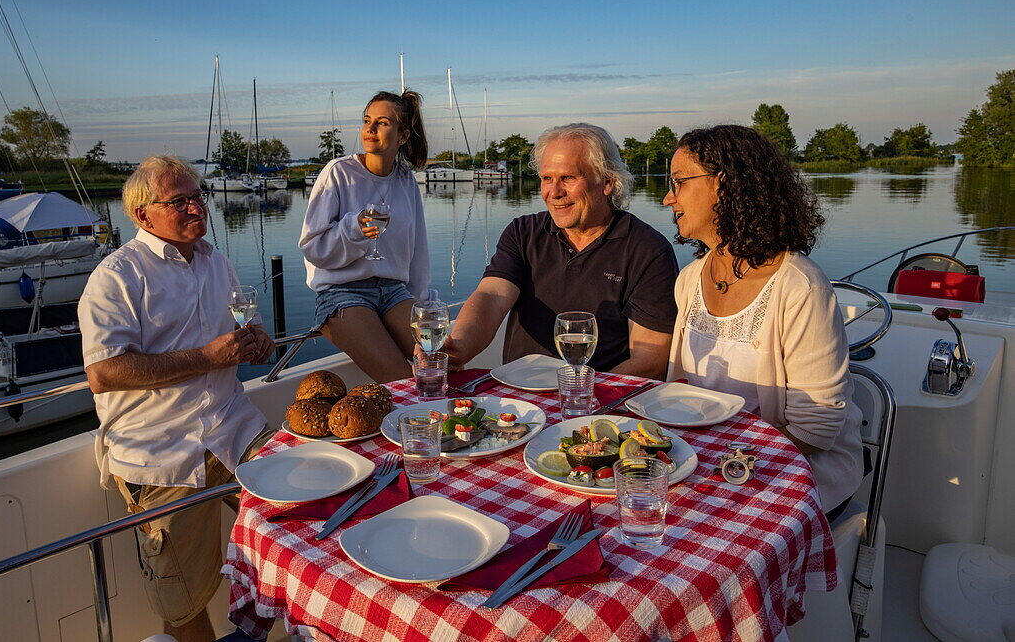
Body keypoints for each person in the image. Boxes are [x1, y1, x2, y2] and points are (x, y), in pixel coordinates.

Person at [78, 156, 275, 642]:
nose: (196, 207)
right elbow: (104, 372)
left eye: (197, 197)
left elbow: (228, 338)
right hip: (161, 453)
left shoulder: (215, 261)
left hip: (235, 429)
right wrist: (207, 357)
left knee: (309, 515)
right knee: (183, 603)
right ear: (143, 215)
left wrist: (253, 342)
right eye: (180, 201)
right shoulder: (116, 276)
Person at [662, 125, 863, 517]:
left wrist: (722, 462)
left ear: (725, 185)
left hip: (795, 473)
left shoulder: (799, 286)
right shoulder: (689, 279)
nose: (669, 197)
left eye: (679, 182)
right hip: (709, 462)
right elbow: (680, 389)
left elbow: (816, 428)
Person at [445, 123, 678, 378]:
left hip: (598, 407)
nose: (553, 192)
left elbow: (649, 360)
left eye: (568, 178)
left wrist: (579, 395)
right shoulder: (522, 233)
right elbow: (491, 297)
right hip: (517, 401)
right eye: (547, 178)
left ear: (607, 181)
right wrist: (459, 346)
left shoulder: (648, 251)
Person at [299, 89, 430, 382]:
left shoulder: (405, 180)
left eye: (382, 123)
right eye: (367, 120)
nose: (370, 129)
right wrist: (354, 228)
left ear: (403, 136)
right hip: (343, 293)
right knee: (401, 378)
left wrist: (420, 302)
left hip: (395, 292)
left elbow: (417, 250)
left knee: (436, 362)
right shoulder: (338, 173)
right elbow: (312, 248)